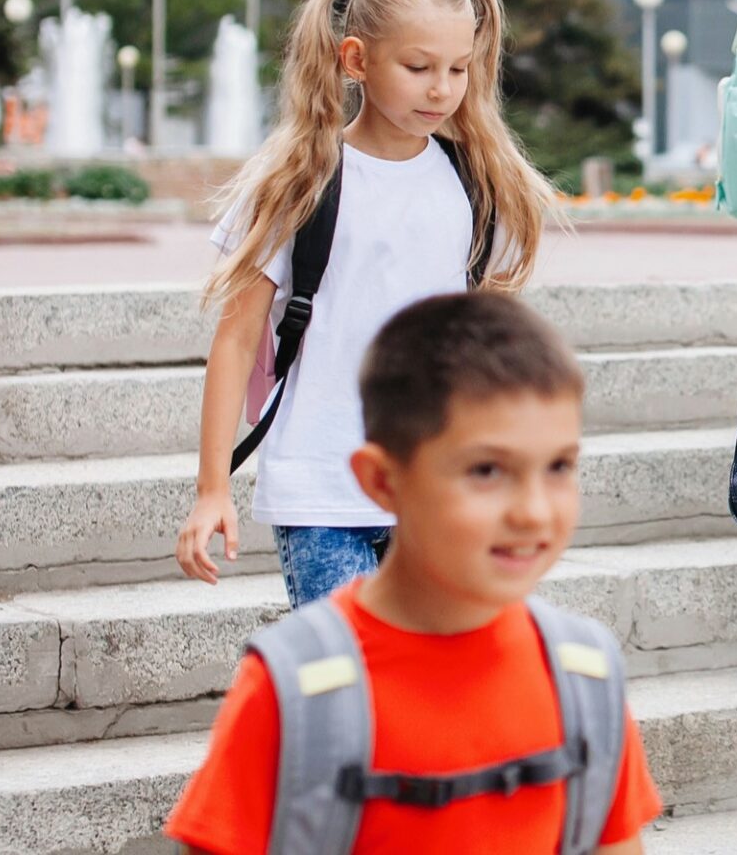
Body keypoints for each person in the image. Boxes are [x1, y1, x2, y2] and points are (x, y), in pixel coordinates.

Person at [165, 293, 663, 854]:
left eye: (559, 466)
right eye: (486, 470)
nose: (533, 511)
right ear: (381, 481)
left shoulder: (583, 678)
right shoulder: (292, 689)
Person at [173, 0, 559, 608]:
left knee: (429, 684)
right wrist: (214, 487)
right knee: (349, 683)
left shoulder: (475, 185)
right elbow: (237, 339)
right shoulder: (299, 178)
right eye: (418, 68)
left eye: (458, 69)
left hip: (437, 492)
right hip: (321, 489)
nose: (441, 88)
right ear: (356, 60)